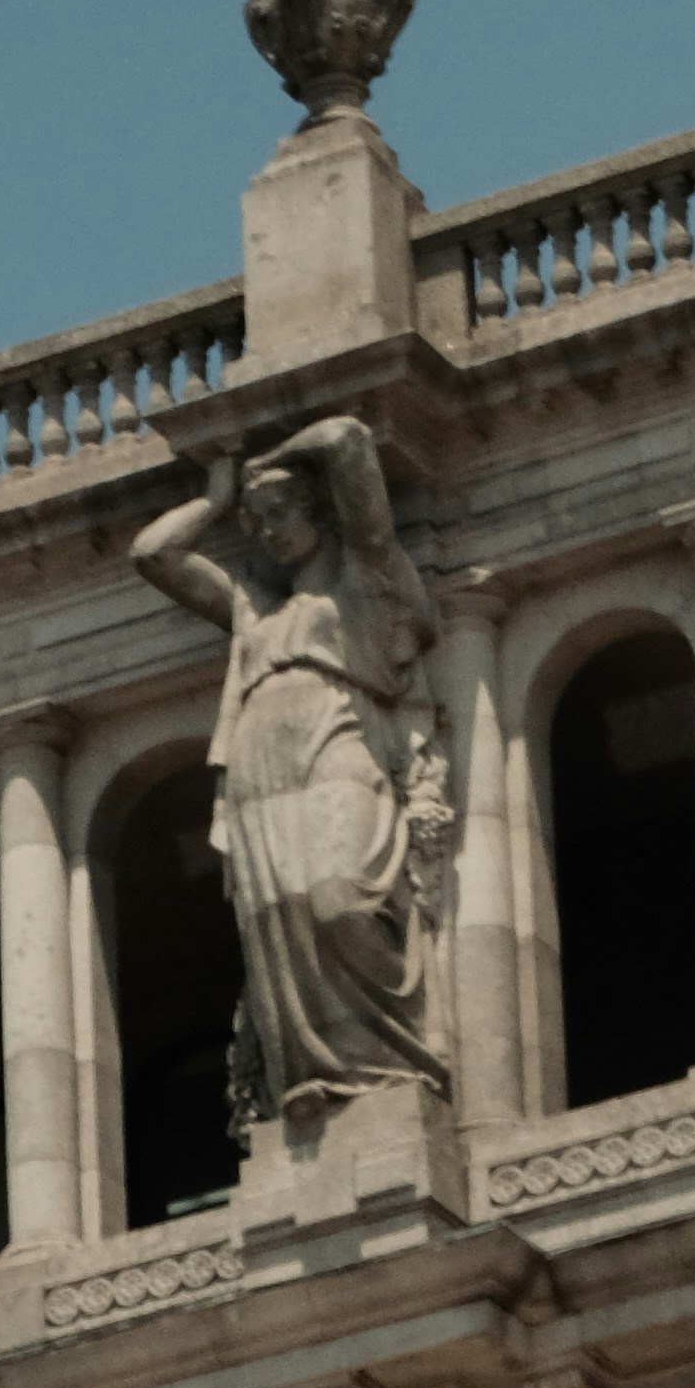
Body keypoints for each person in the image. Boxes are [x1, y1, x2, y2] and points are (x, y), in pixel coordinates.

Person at [131, 414, 450, 1116]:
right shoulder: (254, 611)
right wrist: (217, 500)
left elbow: (346, 441)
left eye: (279, 512)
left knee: (343, 900)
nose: (266, 530)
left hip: (339, 742)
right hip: (257, 775)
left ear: (320, 511)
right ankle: (322, 1079)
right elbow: (154, 554)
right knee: (282, 919)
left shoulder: (368, 580)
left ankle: (395, 1067)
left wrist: (264, 455)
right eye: (255, 521)